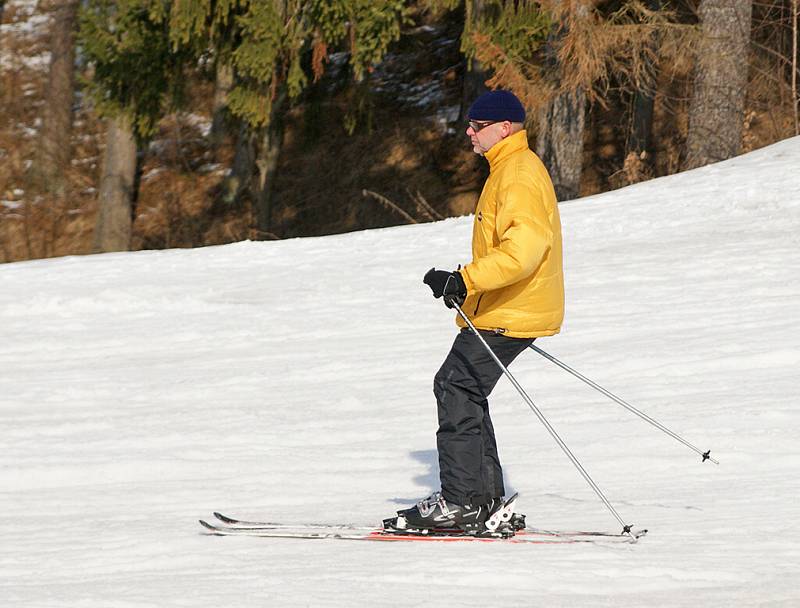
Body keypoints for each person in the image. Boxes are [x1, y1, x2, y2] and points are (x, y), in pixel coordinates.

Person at [399, 90, 565, 531]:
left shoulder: (518, 174)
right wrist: (465, 288)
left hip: (514, 308)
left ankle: (462, 501)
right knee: (463, 387)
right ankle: (483, 500)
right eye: (469, 125)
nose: (469, 133)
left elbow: (524, 251)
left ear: (504, 127)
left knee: (455, 386)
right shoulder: (509, 169)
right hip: (505, 306)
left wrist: (465, 279)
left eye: (478, 125)